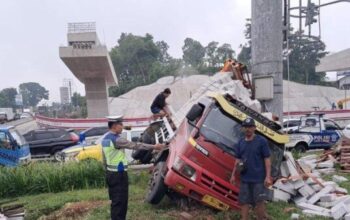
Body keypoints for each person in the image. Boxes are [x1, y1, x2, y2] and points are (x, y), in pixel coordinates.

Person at [102, 116, 165, 220]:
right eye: (120, 124)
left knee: (115, 202)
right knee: (121, 202)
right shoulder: (116, 140)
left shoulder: (105, 139)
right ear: (114, 126)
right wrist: (154, 146)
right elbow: (135, 145)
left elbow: (104, 159)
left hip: (110, 174)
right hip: (119, 175)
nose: (122, 127)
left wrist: (108, 172)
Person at [230, 117, 272, 220]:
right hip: (245, 179)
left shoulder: (261, 141)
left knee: (259, 202)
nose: (248, 129)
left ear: (254, 128)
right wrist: (233, 175)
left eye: (250, 127)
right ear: (243, 129)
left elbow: (267, 159)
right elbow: (237, 160)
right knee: (244, 202)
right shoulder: (240, 142)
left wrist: (268, 176)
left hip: (258, 179)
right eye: (245, 127)